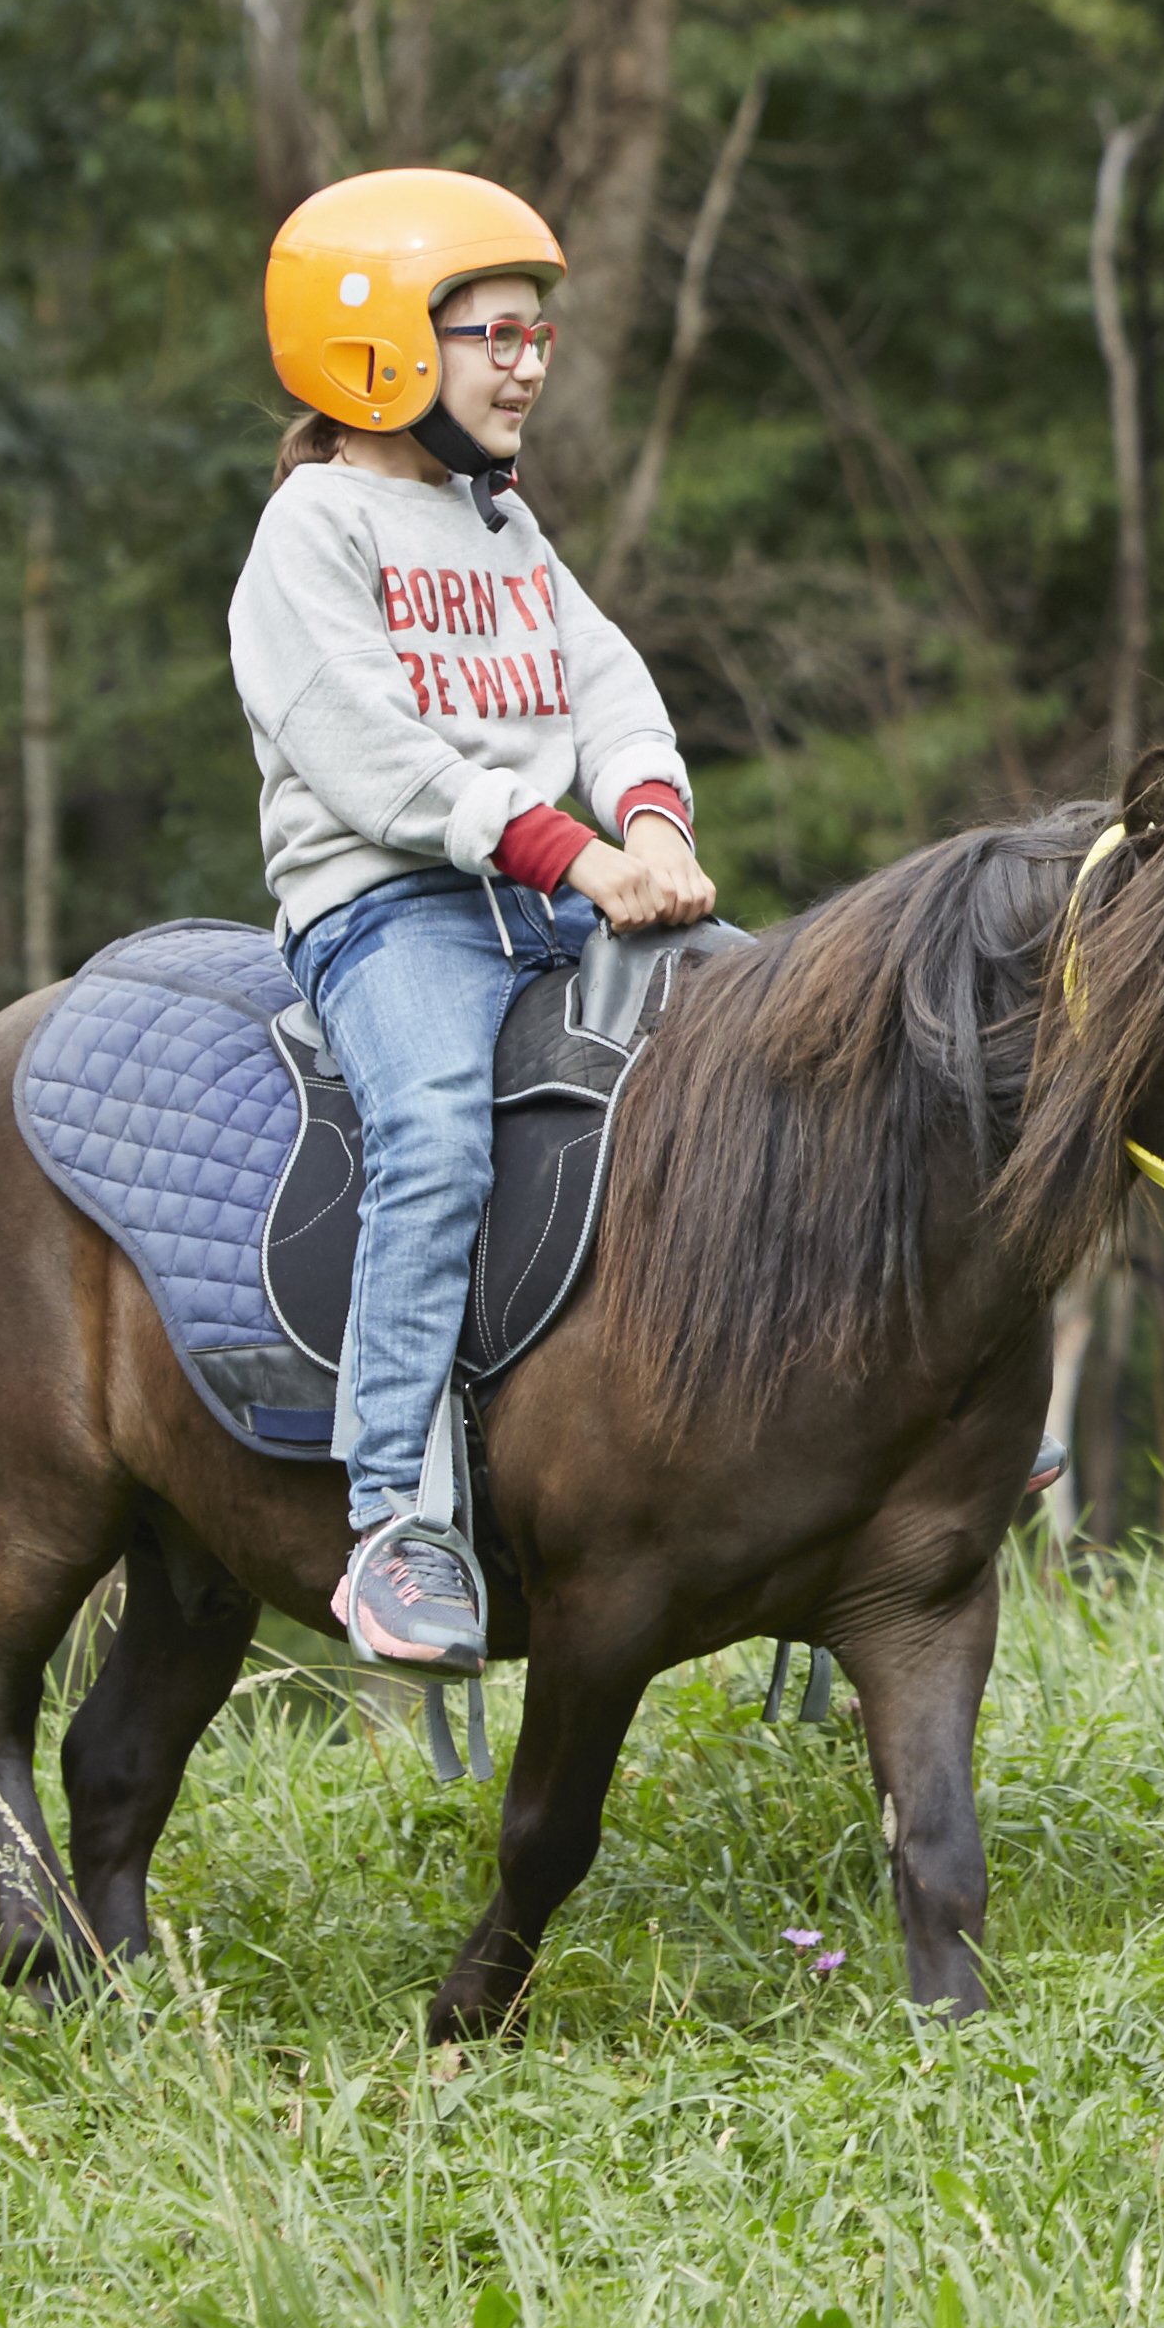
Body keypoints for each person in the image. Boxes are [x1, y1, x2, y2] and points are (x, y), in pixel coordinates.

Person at [234, 168, 716, 1672]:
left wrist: (649, 818)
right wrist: (574, 857)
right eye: (495, 333)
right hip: (393, 913)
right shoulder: (315, 531)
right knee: (437, 1132)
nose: (524, 364)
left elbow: (608, 682)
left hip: (549, 895)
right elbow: (375, 760)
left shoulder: (502, 526)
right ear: (373, 346)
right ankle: (400, 1526)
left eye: (536, 338)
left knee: (770, 1038)